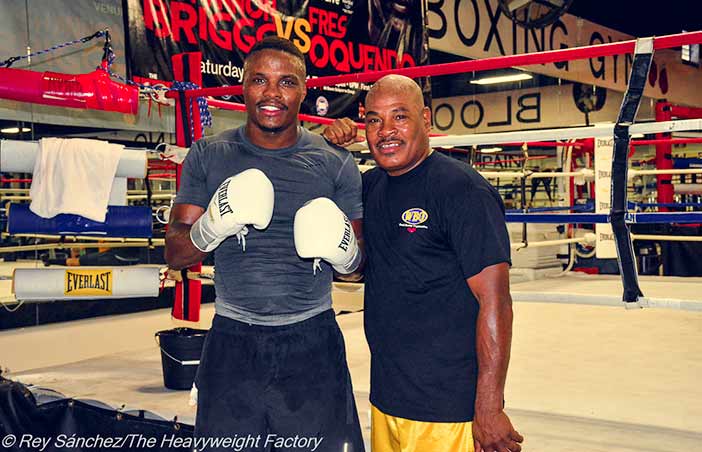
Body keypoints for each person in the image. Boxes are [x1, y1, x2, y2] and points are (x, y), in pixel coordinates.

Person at [164, 36, 365, 452]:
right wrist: (212, 225)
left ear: (304, 90)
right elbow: (176, 253)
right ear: (243, 85)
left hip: (313, 339)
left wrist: (342, 247)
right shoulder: (207, 154)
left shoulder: (335, 162)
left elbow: (357, 267)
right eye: (260, 80)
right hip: (232, 339)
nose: (272, 93)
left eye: (287, 82)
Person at [324, 74, 523, 452]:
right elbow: (357, 268)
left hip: (447, 408)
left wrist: (489, 405)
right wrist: (326, 147)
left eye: (400, 117)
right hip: (386, 396)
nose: (386, 131)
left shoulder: (463, 191)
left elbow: (495, 301)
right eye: (373, 120)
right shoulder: (369, 187)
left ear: (426, 121)